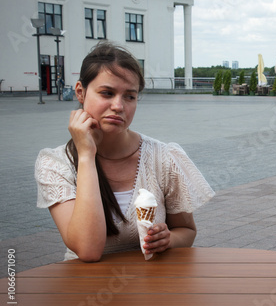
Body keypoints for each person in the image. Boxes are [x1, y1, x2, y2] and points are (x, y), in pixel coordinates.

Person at [35, 42, 214, 262]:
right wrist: (85, 155)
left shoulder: (163, 158)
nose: (119, 106)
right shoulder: (56, 163)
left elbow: (186, 231)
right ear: (80, 92)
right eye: (107, 93)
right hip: (84, 288)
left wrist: (168, 240)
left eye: (130, 96)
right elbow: (88, 250)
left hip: (150, 288)